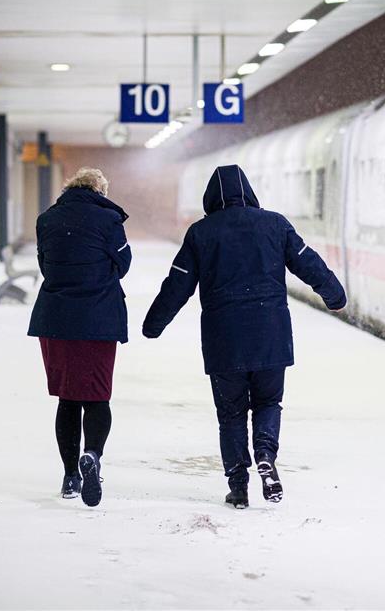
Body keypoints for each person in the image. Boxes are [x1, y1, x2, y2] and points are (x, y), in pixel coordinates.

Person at [142, 164, 346, 509]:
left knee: (231, 413)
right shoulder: (275, 225)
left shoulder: (201, 234)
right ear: (249, 192)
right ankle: (266, 453)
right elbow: (308, 263)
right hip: (270, 333)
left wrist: (154, 324)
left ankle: (238, 486)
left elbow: (177, 285)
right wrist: (334, 296)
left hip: (225, 338)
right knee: (268, 402)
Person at [27, 167, 131, 506]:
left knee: (68, 398)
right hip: (98, 319)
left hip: (56, 319)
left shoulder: (47, 220)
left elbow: (46, 264)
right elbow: (124, 263)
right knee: (97, 397)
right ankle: (93, 455)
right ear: (100, 190)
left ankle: (71, 475)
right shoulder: (109, 221)